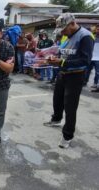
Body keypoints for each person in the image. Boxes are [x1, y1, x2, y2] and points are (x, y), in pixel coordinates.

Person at [44, 13, 94, 149]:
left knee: (70, 107)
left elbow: (85, 60)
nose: (63, 33)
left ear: (72, 23)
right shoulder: (67, 35)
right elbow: (62, 53)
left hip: (75, 76)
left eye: (64, 29)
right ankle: (56, 119)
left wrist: (62, 61)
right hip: (63, 73)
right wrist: (53, 57)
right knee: (57, 99)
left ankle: (67, 135)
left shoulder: (86, 37)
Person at [90, 24, 99, 93]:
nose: (98, 30)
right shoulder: (93, 36)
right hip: (91, 57)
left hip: (98, 58)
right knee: (87, 70)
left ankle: (96, 84)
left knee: (97, 72)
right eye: (97, 29)